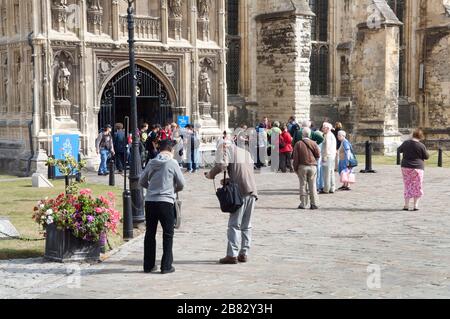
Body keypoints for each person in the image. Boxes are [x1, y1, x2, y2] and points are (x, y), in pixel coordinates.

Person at [205, 140, 258, 264]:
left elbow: (222, 165)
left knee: (234, 224)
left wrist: (210, 175)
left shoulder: (227, 150)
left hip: (239, 193)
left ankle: (232, 255)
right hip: (252, 190)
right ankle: (244, 253)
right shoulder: (245, 152)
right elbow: (244, 172)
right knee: (247, 224)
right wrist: (229, 180)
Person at [139, 139, 186, 274]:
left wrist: (152, 189)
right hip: (166, 202)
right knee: (168, 234)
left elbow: (142, 180)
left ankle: (148, 265)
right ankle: (166, 266)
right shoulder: (172, 163)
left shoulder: (152, 162)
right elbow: (182, 183)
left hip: (150, 201)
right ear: (170, 150)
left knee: (150, 233)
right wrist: (171, 189)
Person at [398, 129, 430, 211]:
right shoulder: (421, 145)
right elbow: (426, 156)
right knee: (417, 186)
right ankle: (415, 205)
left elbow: (399, 150)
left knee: (407, 185)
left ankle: (406, 205)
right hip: (418, 167)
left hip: (406, 167)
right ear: (420, 136)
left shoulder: (406, 143)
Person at [293, 127, 321, 210]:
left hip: (302, 166)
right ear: (310, 135)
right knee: (313, 185)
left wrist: (295, 168)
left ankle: (303, 204)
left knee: (303, 185)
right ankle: (314, 203)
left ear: (302, 135)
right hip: (312, 166)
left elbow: (296, 158)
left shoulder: (298, 144)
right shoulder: (314, 143)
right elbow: (318, 155)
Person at [321, 122, 337, 194]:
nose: (322, 129)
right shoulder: (331, 135)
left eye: (323, 127)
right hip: (331, 156)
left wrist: (325, 156)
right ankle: (332, 187)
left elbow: (327, 146)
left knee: (326, 173)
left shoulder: (328, 135)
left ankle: (326, 188)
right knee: (331, 172)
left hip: (328, 156)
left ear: (327, 128)